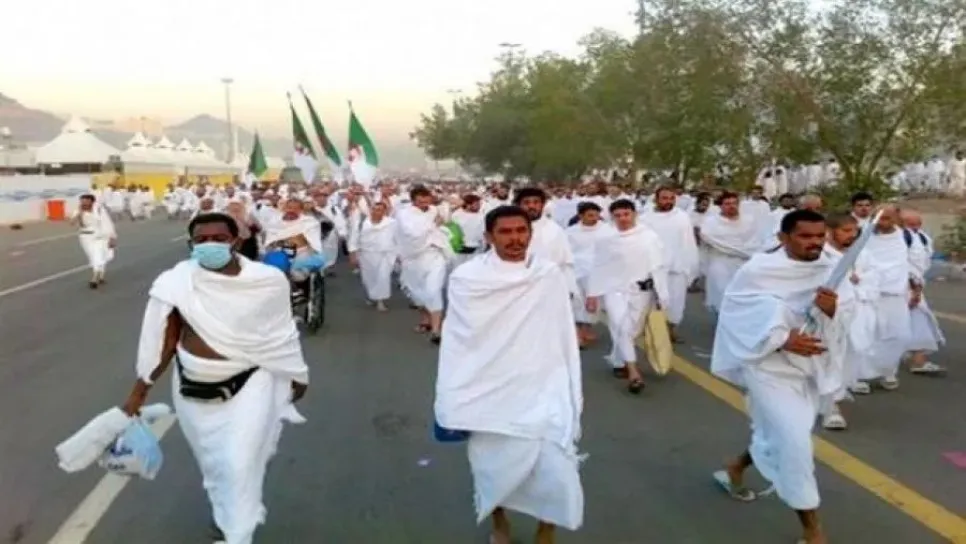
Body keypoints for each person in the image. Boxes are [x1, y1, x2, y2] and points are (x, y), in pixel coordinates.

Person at [120, 213, 309, 544]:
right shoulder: (176, 282)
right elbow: (163, 341)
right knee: (214, 464)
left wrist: (296, 372)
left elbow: (281, 331)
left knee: (238, 462)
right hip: (193, 384)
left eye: (219, 239)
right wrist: (139, 392)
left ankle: (237, 533)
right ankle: (227, 512)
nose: (210, 245)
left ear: (236, 240)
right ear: (190, 244)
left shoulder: (267, 280)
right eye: (201, 240)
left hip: (252, 381)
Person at [434, 205, 584, 544]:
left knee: (556, 469)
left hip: (544, 384)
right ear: (489, 237)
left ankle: (546, 531)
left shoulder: (548, 274)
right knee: (494, 468)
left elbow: (561, 329)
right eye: (505, 232)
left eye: (521, 231)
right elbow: (461, 341)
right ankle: (500, 523)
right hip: (490, 391)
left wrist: (566, 378)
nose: (515, 239)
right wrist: (455, 391)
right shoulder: (468, 279)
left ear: (530, 233)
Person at [711, 210, 855, 544]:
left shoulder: (833, 267)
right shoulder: (759, 270)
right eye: (805, 236)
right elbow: (737, 313)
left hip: (812, 366)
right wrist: (781, 339)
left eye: (819, 236)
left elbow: (849, 311)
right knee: (795, 442)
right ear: (783, 238)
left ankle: (736, 465)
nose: (814, 243)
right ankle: (812, 529)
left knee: (786, 433)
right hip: (768, 369)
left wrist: (832, 308)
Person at [586, 199, 669, 393]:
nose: (623, 219)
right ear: (612, 218)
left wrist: (661, 293)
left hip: (642, 292)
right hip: (614, 291)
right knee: (621, 327)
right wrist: (592, 294)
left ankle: (619, 359)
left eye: (626, 214)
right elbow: (598, 267)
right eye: (618, 215)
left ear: (634, 214)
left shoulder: (649, 237)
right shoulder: (606, 240)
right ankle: (633, 372)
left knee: (632, 330)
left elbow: (659, 267)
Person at [863, 205, 915, 390]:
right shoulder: (862, 235)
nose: (882, 222)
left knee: (898, 335)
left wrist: (916, 289)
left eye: (887, 218)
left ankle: (888, 371)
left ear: (896, 219)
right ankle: (859, 376)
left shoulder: (906, 236)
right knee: (866, 335)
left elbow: (914, 263)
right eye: (878, 218)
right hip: (867, 295)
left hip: (896, 296)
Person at [639, 186, 700, 342]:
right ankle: (651, 330)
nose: (668, 201)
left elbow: (689, 242)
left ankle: (670, 330)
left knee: (675, 302)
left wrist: (690, 266)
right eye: (664, 198)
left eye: (672, 198)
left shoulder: (682, 217)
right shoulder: (645, 218)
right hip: (653, 267)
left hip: (677, 268)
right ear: (656, 199)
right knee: (651, 301)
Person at [395, 185, 453, 344]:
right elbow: (412, 233)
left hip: (435, 254)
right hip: (412, 257)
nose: (424, 205)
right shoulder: (404, 214)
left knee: (433, 290)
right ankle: (426, 319)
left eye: (427, 201)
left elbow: (447, 219)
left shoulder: (434, 210)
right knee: (416, 292)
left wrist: (444, 204)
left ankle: (436, 330)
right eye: (420, 202)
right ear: (413, 201)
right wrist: (433, 224)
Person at [900, 209, 946, 375]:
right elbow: (903, 265)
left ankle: (916, 359)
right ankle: (917, 360)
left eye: (917, 223)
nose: (914, 227)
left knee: (915, 321)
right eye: (910, 224)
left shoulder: (922, 237)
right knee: (916, 320)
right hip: (903, 287)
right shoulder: (899, 238)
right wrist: (914, 288)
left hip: (915, 285)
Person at [699, 191, 760, 313]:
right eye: (727, 204)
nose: (732, 206)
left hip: (745, 264)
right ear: (720, 206)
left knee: (743, 296)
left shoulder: (749, 221)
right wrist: (739, 250)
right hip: (720, 263)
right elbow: (711, 240)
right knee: (722, 295)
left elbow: (755, 241)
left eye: (734, 203)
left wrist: (746, 252)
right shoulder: (711, 222)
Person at [514, 188, 577, 294]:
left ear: (543, 205)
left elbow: (566, 263)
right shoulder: (509, 230)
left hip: (549, 288)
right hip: (517, 287)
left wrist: (569, 288)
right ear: (519, 205)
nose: (531, 206)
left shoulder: (555, 230)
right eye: (526, 202)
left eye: (536, 202)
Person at [566, 201, 610, 348]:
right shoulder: (570, 232)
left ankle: (587, 328)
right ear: (581, 216)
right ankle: (579, 332)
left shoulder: (606, 230)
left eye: (596, 215)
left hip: (598, 272)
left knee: (594, 303)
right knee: (577, 302)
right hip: (577, 271)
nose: (594, 218)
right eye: (590, 215)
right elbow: (566, 252)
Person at [347, 201, 398, 311]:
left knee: (383, 277)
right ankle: (371, 296)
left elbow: (398, 238)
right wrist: (352, 254)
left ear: (384, 211)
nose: (376, 212)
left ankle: (380, 301)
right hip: (366, 254)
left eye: (379, 210)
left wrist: (400, 254)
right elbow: (353, 238)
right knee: (369, 278)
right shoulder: (362, 222)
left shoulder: (392, 223)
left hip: (385, 255)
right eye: (374, 209)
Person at [263, 198, 325, 283]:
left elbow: (311, 241)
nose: (291, 210)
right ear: (285, 208)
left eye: (296, 208)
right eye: (289, 207)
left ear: (301, 210)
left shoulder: (309, 222)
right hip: (279, 252)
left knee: (297, 274)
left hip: (301, 253)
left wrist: (295, 240)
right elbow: (270, 241)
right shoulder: (275, 222)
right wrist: (286, 241)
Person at [71, 194, 116, 289]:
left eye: (86, 201)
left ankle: (94, 278)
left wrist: (112, 237)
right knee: (93, 256)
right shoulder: (78, 210)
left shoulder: (99, 210)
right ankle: (101, 275)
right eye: (82, 201)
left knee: (97, 255)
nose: (83, 203)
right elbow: (72, 223)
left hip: (99, 236)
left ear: (92, 202)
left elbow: (107, 223)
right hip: (85, 237)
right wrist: (80, 213)